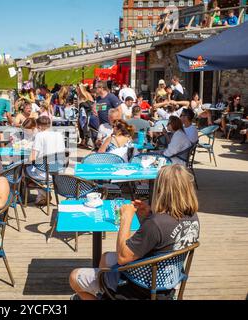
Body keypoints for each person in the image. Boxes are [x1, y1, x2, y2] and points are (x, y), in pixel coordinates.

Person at [69, 164, 200, 300]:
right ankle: (107, 293)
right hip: (168, 278)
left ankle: (111, 292)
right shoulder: (193, 217)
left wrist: (126, 218)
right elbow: (161, 240)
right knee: (106, 257)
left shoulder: (156, 223)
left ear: (162, 189)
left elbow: (123, 257)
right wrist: (148, 214)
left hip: (140, 287)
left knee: (74, 276)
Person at [28, 116, 66, 206]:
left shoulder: (39, 135)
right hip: (58, 171)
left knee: (23, 170)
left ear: (39, 126)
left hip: (45, 173)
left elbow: (31, 158)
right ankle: (41, 195)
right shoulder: (59, 134)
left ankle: (43, 192)